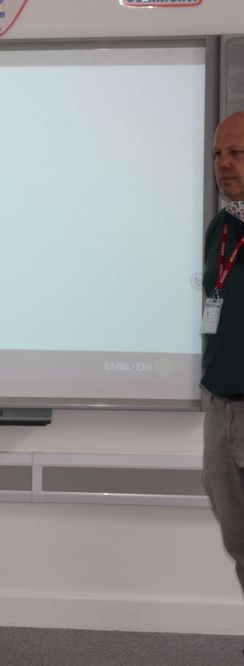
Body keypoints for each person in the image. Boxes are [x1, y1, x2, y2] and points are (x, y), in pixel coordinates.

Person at [203, 110, 244, 596]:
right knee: (239, 546)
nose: (224, 164)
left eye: (236, 153)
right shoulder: (224, 224)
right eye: (217, 154)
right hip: (219, 409)